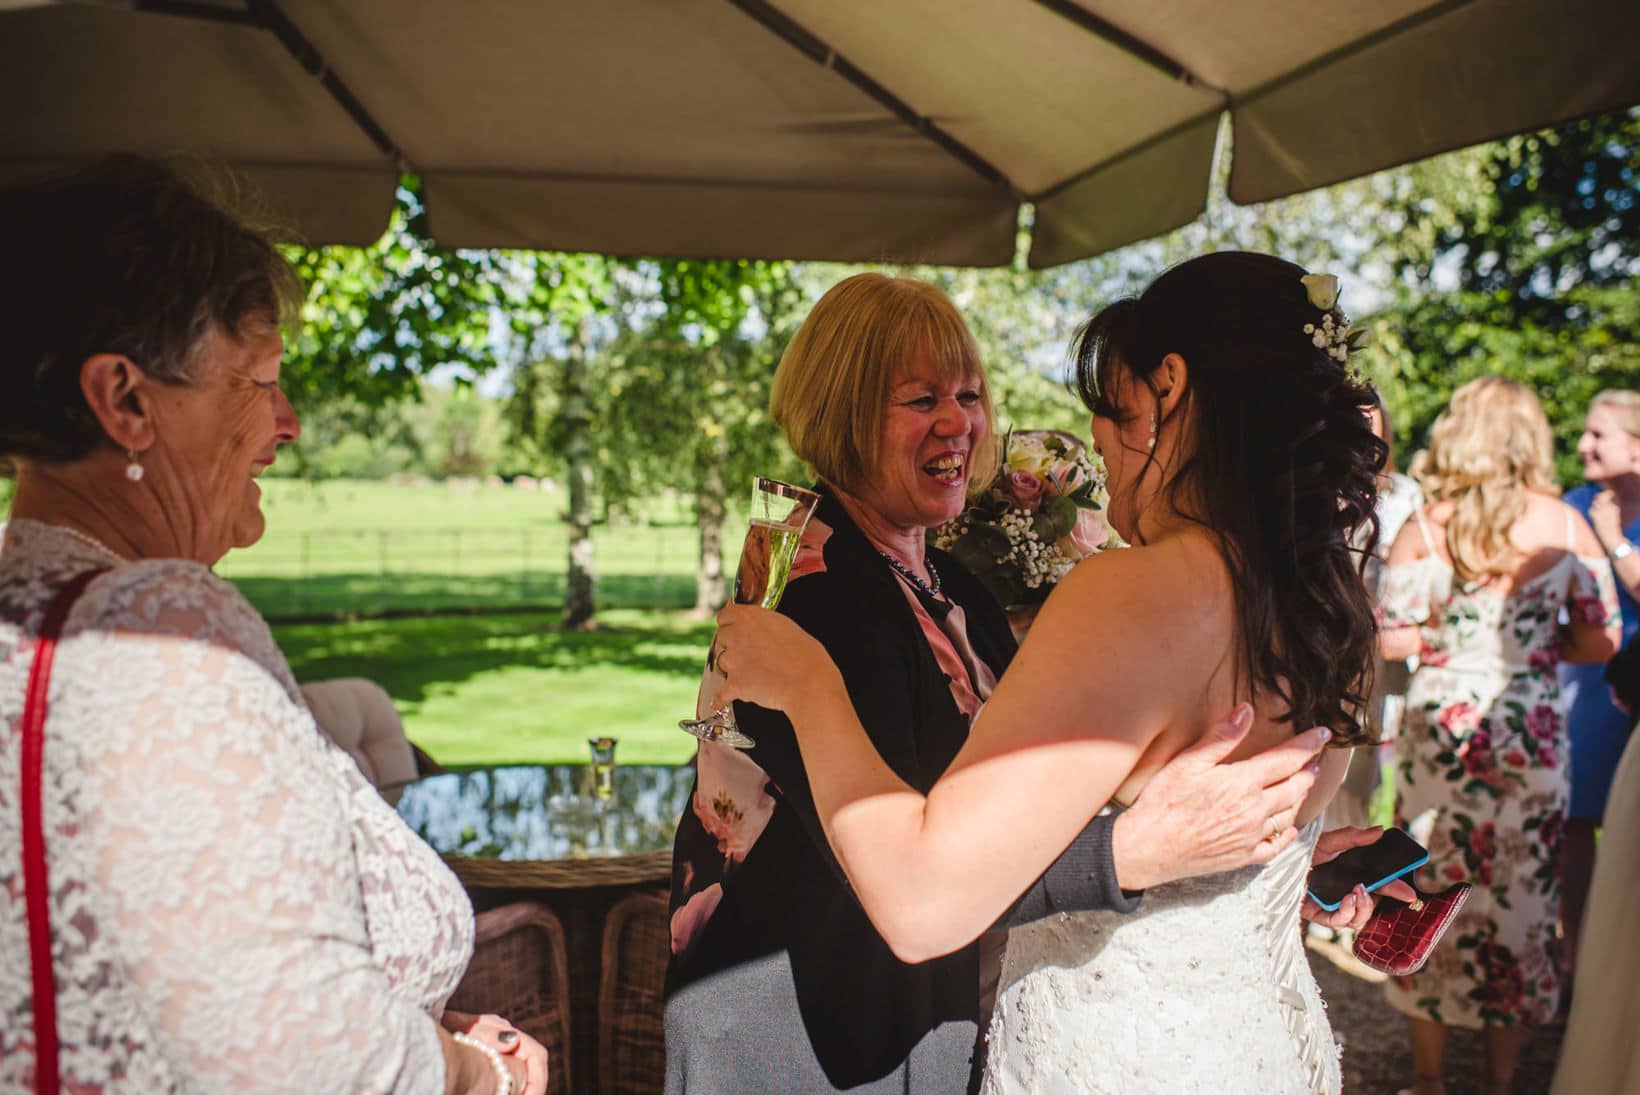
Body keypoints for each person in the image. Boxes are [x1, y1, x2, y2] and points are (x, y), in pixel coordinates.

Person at [709, 253, 1386, 1093]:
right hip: (1253, 1053)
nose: (1098, 433)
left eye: (1113, 403)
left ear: (1169, 389)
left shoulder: (1131, 596)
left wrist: (809, 687)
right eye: (923, 399)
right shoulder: (1337, 611)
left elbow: (925, 897)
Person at [0, 158, 547, 1093]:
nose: (288, 422)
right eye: (256, 379)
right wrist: (477, 1075)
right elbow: (304, 1053)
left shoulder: (34, 609)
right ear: (125, 400)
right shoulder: (157, 626)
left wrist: (408, 1018)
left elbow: (177, 980)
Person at [1377, 377, 1620, 1095]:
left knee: (1427, 887)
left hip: (1440, 732)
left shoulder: (1426, 524)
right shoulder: (1569, 527)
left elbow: (1389, 639)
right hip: (1531, 729)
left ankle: (1426, 1077)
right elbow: (1603, 637)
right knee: (1523, 898)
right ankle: (1501, 1079)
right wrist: (1536, 649)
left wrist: (1448, 641)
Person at [1558, 388, 1640, 964]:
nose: (1582, 444)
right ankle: (1575, 958)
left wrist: (1612, 539)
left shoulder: (1603, 517)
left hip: (1635, 688)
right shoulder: (1573, 502)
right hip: (1583, 685)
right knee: (1574, 824)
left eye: (1598, 435)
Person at [1328, 392, 1425, 832]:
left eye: (1372, 422)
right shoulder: (1313, 489)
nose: (1364, 432)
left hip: (1371, 648)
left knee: (1356, 768)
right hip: (1318, 633)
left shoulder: (1403, 496)